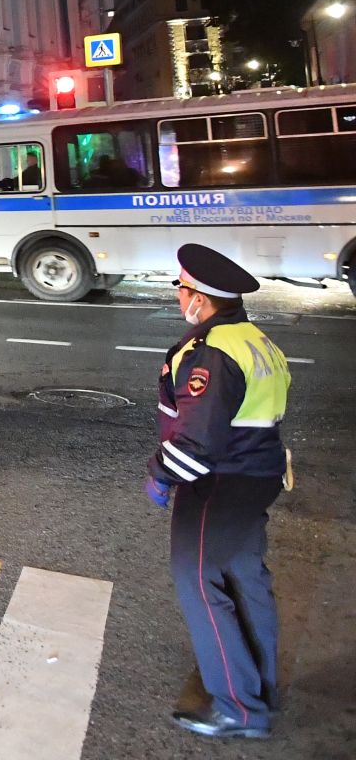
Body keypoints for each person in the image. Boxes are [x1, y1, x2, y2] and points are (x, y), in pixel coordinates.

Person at [145, 243, 291, 740]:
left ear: (201, 299)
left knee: (199, 585)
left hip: (218, 486)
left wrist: (161, 477)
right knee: (245, 580)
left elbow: (195, 443)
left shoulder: (213, 354)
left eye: (181, 288)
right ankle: (259, 688)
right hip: (255, 478)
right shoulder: (255, 339)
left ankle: (238, 708)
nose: (178, 295)